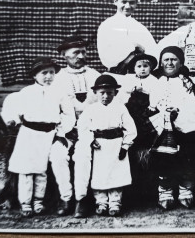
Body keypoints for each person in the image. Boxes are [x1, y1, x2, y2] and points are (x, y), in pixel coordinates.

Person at [6, 57, 75, 217]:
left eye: (52, 73)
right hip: (28, 134)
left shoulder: (60, 93)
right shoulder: (27, 93)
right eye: (44, 73)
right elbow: (14, 109)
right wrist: (14, 120)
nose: (49, 76)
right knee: (26, 170)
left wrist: (61, 132)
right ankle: (25, 203)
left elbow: (68, 114)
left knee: (41, 171)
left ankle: (38, 202)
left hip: (49, 135)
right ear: (34, 76)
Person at [49, 36, 100, 217]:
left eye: (83, 52)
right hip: (66, 131)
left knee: (83, 156)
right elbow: (52, 108)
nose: (80, 56)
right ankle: (65, 197)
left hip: (89, 129)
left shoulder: (95, 76)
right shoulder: (57, 79)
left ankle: (81, 199)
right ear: (64, 55)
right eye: (75, 53)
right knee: (57, 155)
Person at [149, 46, 195, 210]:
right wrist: (163, 115)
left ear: (180, 62)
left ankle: (185, 190)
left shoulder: (188, 83)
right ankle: (165, 191)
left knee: (186, 157)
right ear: (161, 63)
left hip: (183, 128)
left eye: (174, 59)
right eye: (166, 59)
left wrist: (178, 114)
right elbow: (153, 105)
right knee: (164, 158)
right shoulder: (157, 83)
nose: (169, 63)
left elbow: (193, 108)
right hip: (163, 129)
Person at [77, 75, 137, 216]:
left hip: (116, 145)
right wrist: (91, 140)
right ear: (96, 93)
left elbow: (131, 129)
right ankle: (101, 202)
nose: (105, 96)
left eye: (109, 93)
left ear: (115, 93)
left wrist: (125, 146)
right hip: (100, 146)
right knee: (100, 174)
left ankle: (115, 203)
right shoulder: (91, 109)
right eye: (102, 93)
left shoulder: (121, 108)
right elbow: (83, 127)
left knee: (116, 174)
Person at [119, 53, 160, 204]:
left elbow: (156, 95)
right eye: (139, 66)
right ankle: (131, 192)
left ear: (150, 68)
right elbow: (123, 93)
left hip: (145, 116)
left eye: (146, 66)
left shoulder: (154, 81)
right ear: (134, 68)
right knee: (131, 149)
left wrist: (151, 106)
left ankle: (148, 191)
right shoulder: (129, 79)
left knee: (146, 152)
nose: (142, 69)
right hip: (131, 114)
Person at [97, 0, 158, 74]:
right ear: (115, 2)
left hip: (139, 76)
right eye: (124, 2)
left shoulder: (140, 28)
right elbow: (106, 57)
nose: (128, 6)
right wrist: (133, 47)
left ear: (136, 3)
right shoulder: (106, 26)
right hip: (116, 74)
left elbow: (153, 52)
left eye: (132, 2)